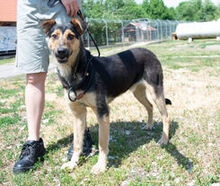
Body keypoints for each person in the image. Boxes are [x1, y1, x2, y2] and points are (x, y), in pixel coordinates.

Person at [13, 0, 92, 174]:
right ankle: (34, 143)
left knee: (76, 69)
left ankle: (82, 134)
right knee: (33, 75)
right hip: (29, 5)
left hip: (60, 3)